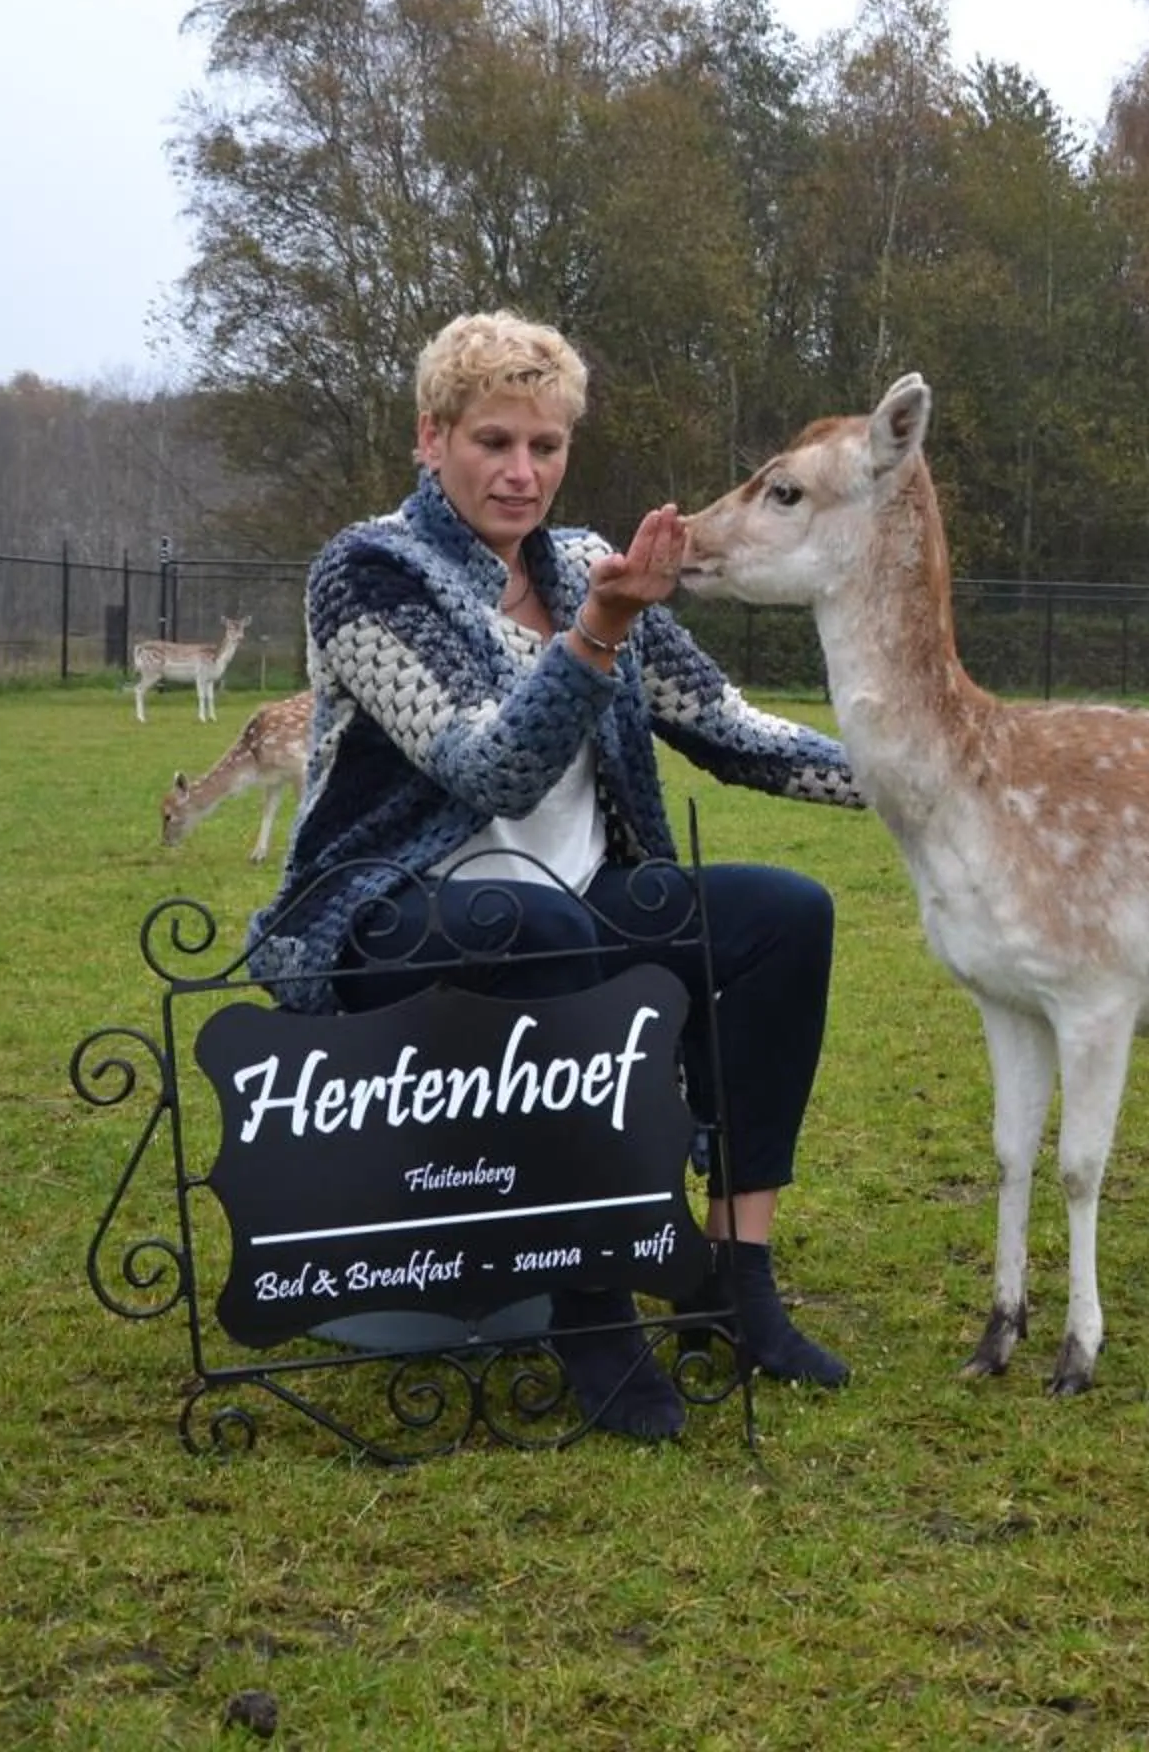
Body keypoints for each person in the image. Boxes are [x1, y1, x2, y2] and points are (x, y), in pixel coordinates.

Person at [247, 310, 865, 1441]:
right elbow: (489, 761)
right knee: (542, 930)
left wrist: (924, 778)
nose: (523, 472)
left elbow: (726, 726)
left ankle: (735, 1278)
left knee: (785, 915)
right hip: (390, 924)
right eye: (494, 441)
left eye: (547, 445)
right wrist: (596, 633)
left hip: (572, 906)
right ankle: (592, 1299)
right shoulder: (369, 573)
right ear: (432, 440)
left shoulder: (585, 561)